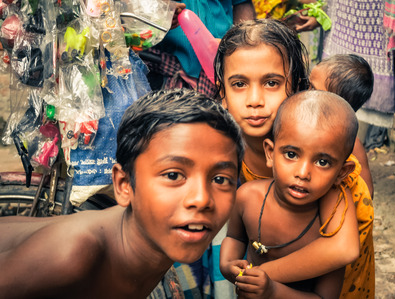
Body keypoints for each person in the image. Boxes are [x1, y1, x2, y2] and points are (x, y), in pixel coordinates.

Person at [0, 88, 244, 298]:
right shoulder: (73, 255)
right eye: (173, 175)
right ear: (124, 184)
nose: (201, 199)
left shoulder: (146, 249)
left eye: (220, 179)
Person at [216, 19, 373, 298]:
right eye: (239, 84)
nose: (255, 100)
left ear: (298, 87)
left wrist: (258, 276)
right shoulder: (225, 149)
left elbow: (342, 248)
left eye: (272, 83)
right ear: (223, 95)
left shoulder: (320, 155)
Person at [220, 90, 362, 298]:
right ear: (270, 153)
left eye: (322, 162)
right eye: (291, 154)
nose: (303, 173)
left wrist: (273, 291)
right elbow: (234, 237)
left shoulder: (327, 229)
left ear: (341, 172)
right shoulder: (247, 197)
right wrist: (227, 264)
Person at [144, 0, 256, 97]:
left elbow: (242, 3)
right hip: (161, 66)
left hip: (223, 62)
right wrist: (157, 9)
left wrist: (242, 43)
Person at [309, 53, 375, 197]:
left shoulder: (351, 143)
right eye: (307, 84)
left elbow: (367, 192)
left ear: (340, 107)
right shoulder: (300, 123)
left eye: (313, 89)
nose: (304, 91)